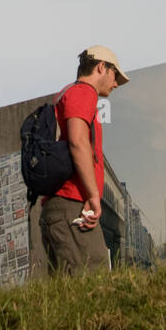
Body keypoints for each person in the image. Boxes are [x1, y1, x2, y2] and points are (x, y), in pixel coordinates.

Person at [38, 45, 129, 276]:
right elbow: (78, 141)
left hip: (61, 208)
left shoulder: (66, 94)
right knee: (93, 280)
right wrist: (92, 196)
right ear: (101, 67)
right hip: (72, 206)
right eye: (115, 75)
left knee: (69, 294)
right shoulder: (83, 92)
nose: (116, 83)